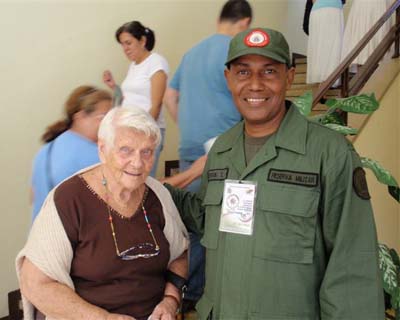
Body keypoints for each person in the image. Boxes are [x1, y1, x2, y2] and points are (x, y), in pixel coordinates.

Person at [164, 27, 384, 319]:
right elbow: (211, 220)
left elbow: (352, 264)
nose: (255, 85)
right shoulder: (222, 150)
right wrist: (154, 188)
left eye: (269, 71)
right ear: (228, 78)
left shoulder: (328, 153)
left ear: (289, 77)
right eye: (243, 72)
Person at [17, 107, 189, 320]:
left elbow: (180, 254)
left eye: (147, 152)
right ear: (102, 150)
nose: (137, 163)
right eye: (125, 150)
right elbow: (35, 284)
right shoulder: (69, 199)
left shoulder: (158, 195)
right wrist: (103, 318)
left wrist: (171, 301)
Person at [163, 0, 252, 310]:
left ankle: (187, 289)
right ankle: (195, 293)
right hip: (225, 148)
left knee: (192, 220)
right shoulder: (234, 50)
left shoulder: (192, 53)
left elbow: (170, 97)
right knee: (225, 223)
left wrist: (188, 127)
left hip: (190, 146)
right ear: (244, 23)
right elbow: (245, 97)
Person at [31, 85, 112, 221]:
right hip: (71, 238)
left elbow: (33, 195)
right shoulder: (96, 155)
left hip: (39, 236)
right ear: (80, 117)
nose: (109, 124)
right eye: (103, 117)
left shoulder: (46, 150)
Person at [103, 21, 168, 177]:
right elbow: (130, 97)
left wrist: (144, 136)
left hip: (147, 132)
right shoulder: (134, 65)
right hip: (130, 131)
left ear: (142, 41)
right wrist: (114, 87)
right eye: (122, 45)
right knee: (128, 179)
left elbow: (156, 104)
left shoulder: (156, 62)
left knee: (142, 179)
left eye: (128, 43)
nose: (125, 48)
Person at [341, 0, 393, 72]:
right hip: (364, 6)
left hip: (376, 6)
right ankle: (362, 77)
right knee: (361, 36)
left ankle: (369, 76)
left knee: (371, 38)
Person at [306, 0, 345, 84]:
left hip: (318, 9)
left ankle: (322, 82)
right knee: (334, 45)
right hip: (333, 9)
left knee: (319, 46)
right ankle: (328, 81)